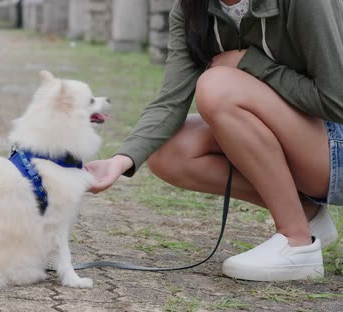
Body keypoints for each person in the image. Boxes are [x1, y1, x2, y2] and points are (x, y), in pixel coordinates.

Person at [85, 0, 343, 282]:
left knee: (217, 86)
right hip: (304, 146)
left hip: (334, 146)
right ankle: (307, 217)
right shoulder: (191, 10)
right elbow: (170, 102)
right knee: (169, 152)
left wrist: (252, 64)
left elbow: (337, 101)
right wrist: (120, 160)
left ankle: (296, 243)